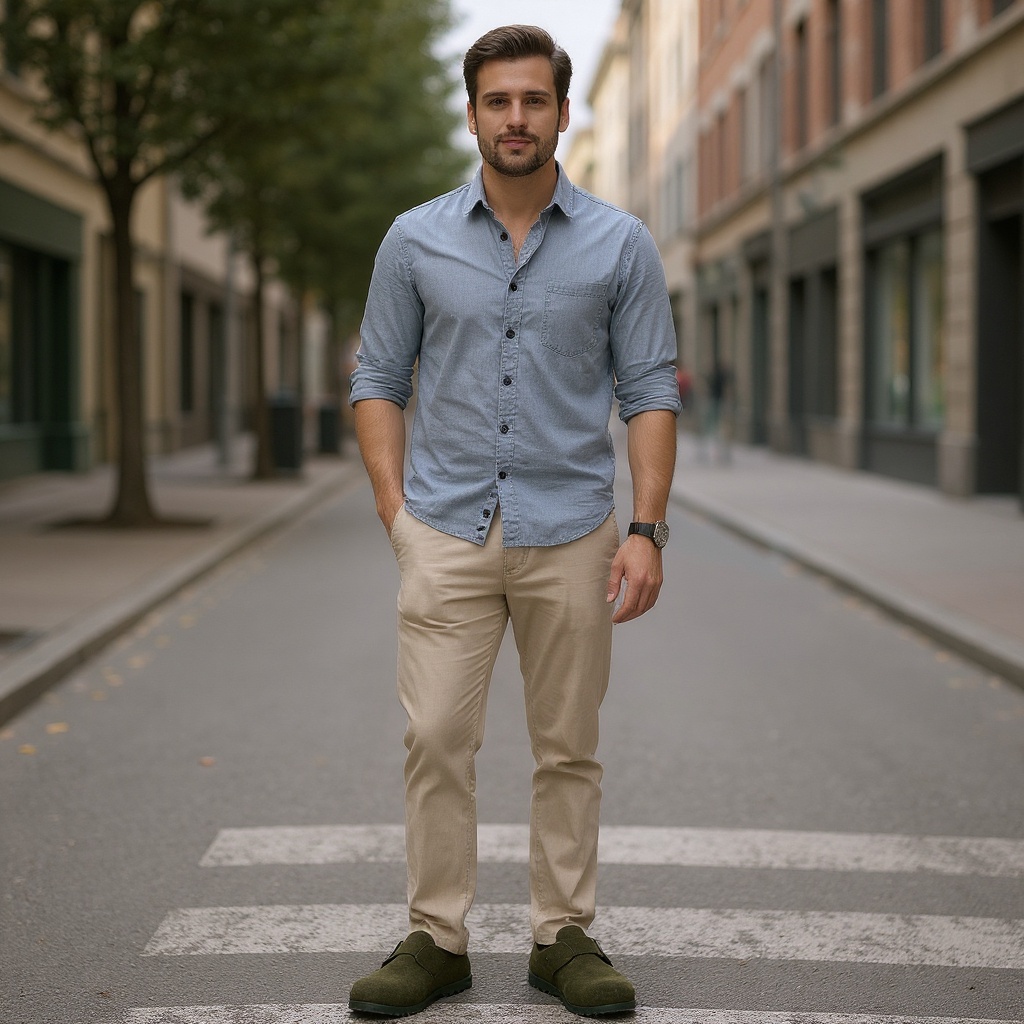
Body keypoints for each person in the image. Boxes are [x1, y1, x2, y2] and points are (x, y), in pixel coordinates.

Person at [347, 25, 680, 1018]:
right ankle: (435, 939)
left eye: (534, 99)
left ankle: (561, 936)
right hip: (445, 528)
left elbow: (649, 390)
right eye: (498, 101)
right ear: (473, 114)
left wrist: (646, 529)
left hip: (573, 529)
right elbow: (377, 378)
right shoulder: (413, 239)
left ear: (562, 112)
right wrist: (396, 513)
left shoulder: (621, 243)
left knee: (567, 745)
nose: (516, 118)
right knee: (436, 739)